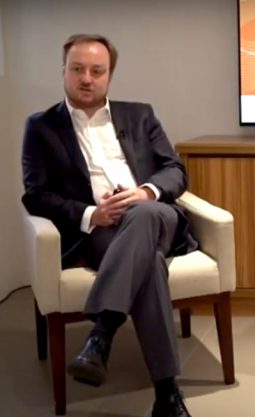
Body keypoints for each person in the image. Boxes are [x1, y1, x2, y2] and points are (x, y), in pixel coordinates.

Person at [21, 34, 198, 417]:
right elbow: (36, 195)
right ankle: (166, 394)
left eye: (96, 71)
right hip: (100, 230)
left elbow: (175, 170)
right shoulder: (41, 126)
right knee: (150, 263)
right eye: (78, 69)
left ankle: (102, 332)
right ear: (63, 71)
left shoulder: (140, 115)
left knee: (144, 215)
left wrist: (146, 193)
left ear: (109, 75)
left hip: (157, 217)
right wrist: (91, 215)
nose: (87, 78)